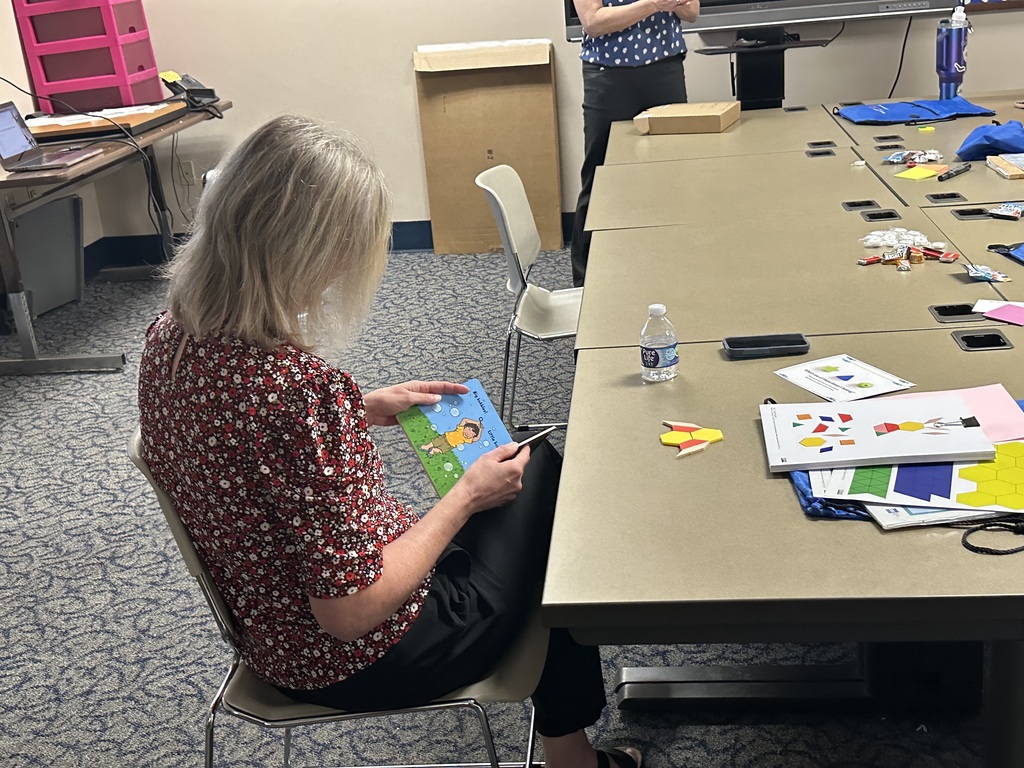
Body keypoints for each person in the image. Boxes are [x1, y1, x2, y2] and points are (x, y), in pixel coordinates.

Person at [137, 115, 641, 768]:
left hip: (269, 631)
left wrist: (362, 406)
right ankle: (572, 756)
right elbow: (349, 613)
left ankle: (570, 750)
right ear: (307, 253)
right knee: (538, 478)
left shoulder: (170, 334)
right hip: (370, 653)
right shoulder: (297, 390)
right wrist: (462, 499)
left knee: (518, 475)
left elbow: (238, 444)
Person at [570, 0, 700, 287]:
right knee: (600, 176)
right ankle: (585, 282)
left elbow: (692, 12)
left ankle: (673, 269)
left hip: (664, 68)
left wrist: (671, 4)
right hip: (608, 74)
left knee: (671, 175)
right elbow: (593, 21)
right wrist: (654, 4)